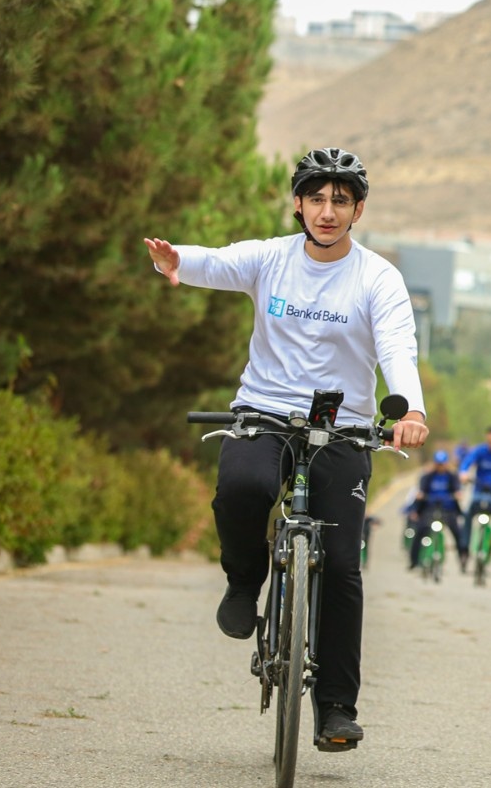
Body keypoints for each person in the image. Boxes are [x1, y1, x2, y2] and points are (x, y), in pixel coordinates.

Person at [143, 146, 429, 751]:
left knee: (343, 565)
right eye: (316, 199)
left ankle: (335, 708)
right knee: (243, 487)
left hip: (343, 428)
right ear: (298, 204)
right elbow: (218, 262)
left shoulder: (378, 278)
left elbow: (397, 346)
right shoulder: (271, 258)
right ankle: (243, 581)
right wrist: (178, 260)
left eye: (341, 201)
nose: (327, 211)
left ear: (358, 211)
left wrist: (410, 410)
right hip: (264, 412)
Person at [404, 450, 469, 571]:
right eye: (438, 464)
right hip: (430, 509)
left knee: (458, 533)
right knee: (419, 532)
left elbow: (457, 490)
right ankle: (414, 561)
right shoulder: (427, 477)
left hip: (448, 509)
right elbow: (421, 491)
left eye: (442, 464)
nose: (440, 466)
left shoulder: (451, 476)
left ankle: (463, 558)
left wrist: (458, 494)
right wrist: (420, 496)